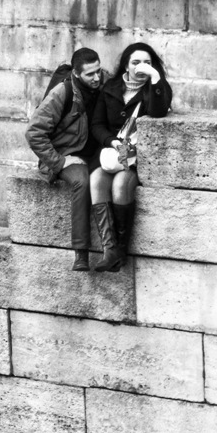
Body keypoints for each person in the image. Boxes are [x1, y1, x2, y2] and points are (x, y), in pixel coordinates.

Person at [89, 41, 172, 273]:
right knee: (96, 181)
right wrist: (112, 141)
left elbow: (157, 112)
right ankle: (109, 250)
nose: (141, 66)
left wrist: (155, 78)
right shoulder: (111, 88)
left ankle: (121, 251)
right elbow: (97, 124)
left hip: (136, 156)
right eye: (136, 62)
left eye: (147, 62)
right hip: (112, 152)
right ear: (126, 65)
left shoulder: (158, 88)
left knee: (120, 185)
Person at [25, 47, 106, 271]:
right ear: (77, 74)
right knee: (82, 181)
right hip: (65, 155)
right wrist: (60, 162)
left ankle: (113, 249)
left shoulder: (103, 80)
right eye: (90, 74)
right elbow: (34, 133)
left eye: (98, 71)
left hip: (94, 152)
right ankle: (81, 253)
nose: (97, 77)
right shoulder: (62, 92)